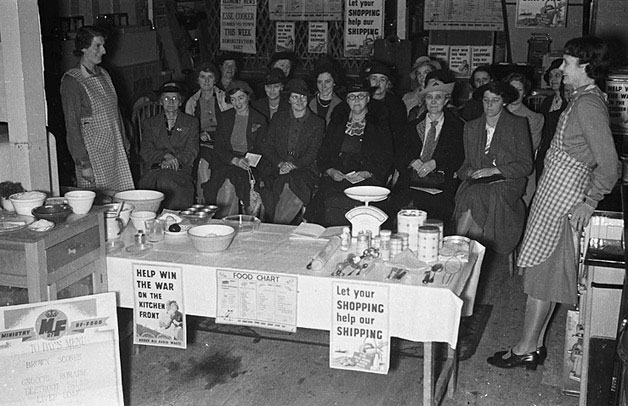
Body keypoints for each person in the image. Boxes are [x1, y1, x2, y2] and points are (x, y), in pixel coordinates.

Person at [488, 37, 619, 370]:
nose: (561, 68)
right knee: (540, 281)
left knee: (540, 283)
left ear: (586, 67)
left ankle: (524, 349)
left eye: (567, 62)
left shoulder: (589, 105)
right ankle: (533, 345)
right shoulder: (583, 99)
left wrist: (589, 201)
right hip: (554, 196)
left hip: (564, 202)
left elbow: (610, 164)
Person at [454, 81, 532, 256]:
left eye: (494, 100)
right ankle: (469, 253)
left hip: (508, 181)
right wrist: (468, 172)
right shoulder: (471, 127)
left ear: (504, 102)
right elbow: (464, 166)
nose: (489, 105)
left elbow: (526, 166)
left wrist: (495, 170)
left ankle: (457, 245)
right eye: (485, 100)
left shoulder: (517, 124)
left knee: (475, 195)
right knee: (474, 194)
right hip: (478, 182)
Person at [305, 80, 393, 226]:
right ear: (347, 100)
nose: (356, 100)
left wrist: (367, 173)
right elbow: (324, 152)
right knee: (325, 199)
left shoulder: (379, 123)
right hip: (338, 176)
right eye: (352, 97)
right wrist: (331, 170)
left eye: (361, 96)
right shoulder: (338, 121)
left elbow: (386, 156)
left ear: (368, 98)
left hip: (367, 177)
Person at [60, 25, 134, 192]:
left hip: (115, 151)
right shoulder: (72, 81)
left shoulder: (105, 75)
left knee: (123, 200)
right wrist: (83, 163)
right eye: (97, 46)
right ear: (83, 48)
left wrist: (125, 146)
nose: (104, 51)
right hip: (94, 157)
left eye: (103, 45)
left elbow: (116, 115)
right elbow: (72, 127)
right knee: (100, 205)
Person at [389, 78, 464, 233]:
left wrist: (436, 163)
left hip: (440, 184)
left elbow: (459, 156)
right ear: (424, 101)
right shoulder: (412, 126)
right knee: (396, 210)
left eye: (438, 97)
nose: (434, 102)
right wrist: (412, 161)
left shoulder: (457, 127)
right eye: (430, 97)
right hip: (411, 181)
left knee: (436, 217)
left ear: (446, 100)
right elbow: (398, 155)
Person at [260, 79, 325, 224]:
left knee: (292, 184)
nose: (299, 100)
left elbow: (313, 152)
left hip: (303, 169)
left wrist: (292, 165)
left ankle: (275, 228)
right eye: (295, 96)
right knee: (277, 185)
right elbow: (267, 146)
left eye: (303, 97)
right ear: (289, 99)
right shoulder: (278, 118)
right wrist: (280, 163)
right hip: (277, 167)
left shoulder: (317, 123)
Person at [202, 80, 268, 218]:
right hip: (228, 160)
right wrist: (234, 160)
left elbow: (262, 148)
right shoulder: (225, 117)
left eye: (241, 98)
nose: (237, 103)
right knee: (224, 183)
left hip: (250, 163)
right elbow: (219, 147)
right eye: (233, 99)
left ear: (248, 97)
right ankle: (223, 220)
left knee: (237, 181)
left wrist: (247, 161)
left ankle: (228, 220)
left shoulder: (259, 119)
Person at [138, 83, 199, 210]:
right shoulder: (150, 123)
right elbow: (146, 150)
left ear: (180, 102)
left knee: (167, 181)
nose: (170, 102)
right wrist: (165, 157)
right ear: (161, 102)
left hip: (180, 169)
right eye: (166, 99)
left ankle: (174, 219)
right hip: (156, 168)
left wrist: (174, 161)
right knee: (151, 183)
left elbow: (192, 150)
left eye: (175, 98)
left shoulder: (191, 122)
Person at [505, 72, 545, 205]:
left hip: (522, 174)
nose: (515, 93)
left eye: (519, 89)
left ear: (525, 93)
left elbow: (529, 149)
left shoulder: (534, 118)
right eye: (512, 89)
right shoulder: (495, 114)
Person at [363, 60, 408, 174]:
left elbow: (399, 139)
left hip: (386, 160)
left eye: (382, 79)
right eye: (374, 78)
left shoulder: (396, 105)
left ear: (388, 83)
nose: (377, 83)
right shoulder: (361, 101)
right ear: (368, 81)